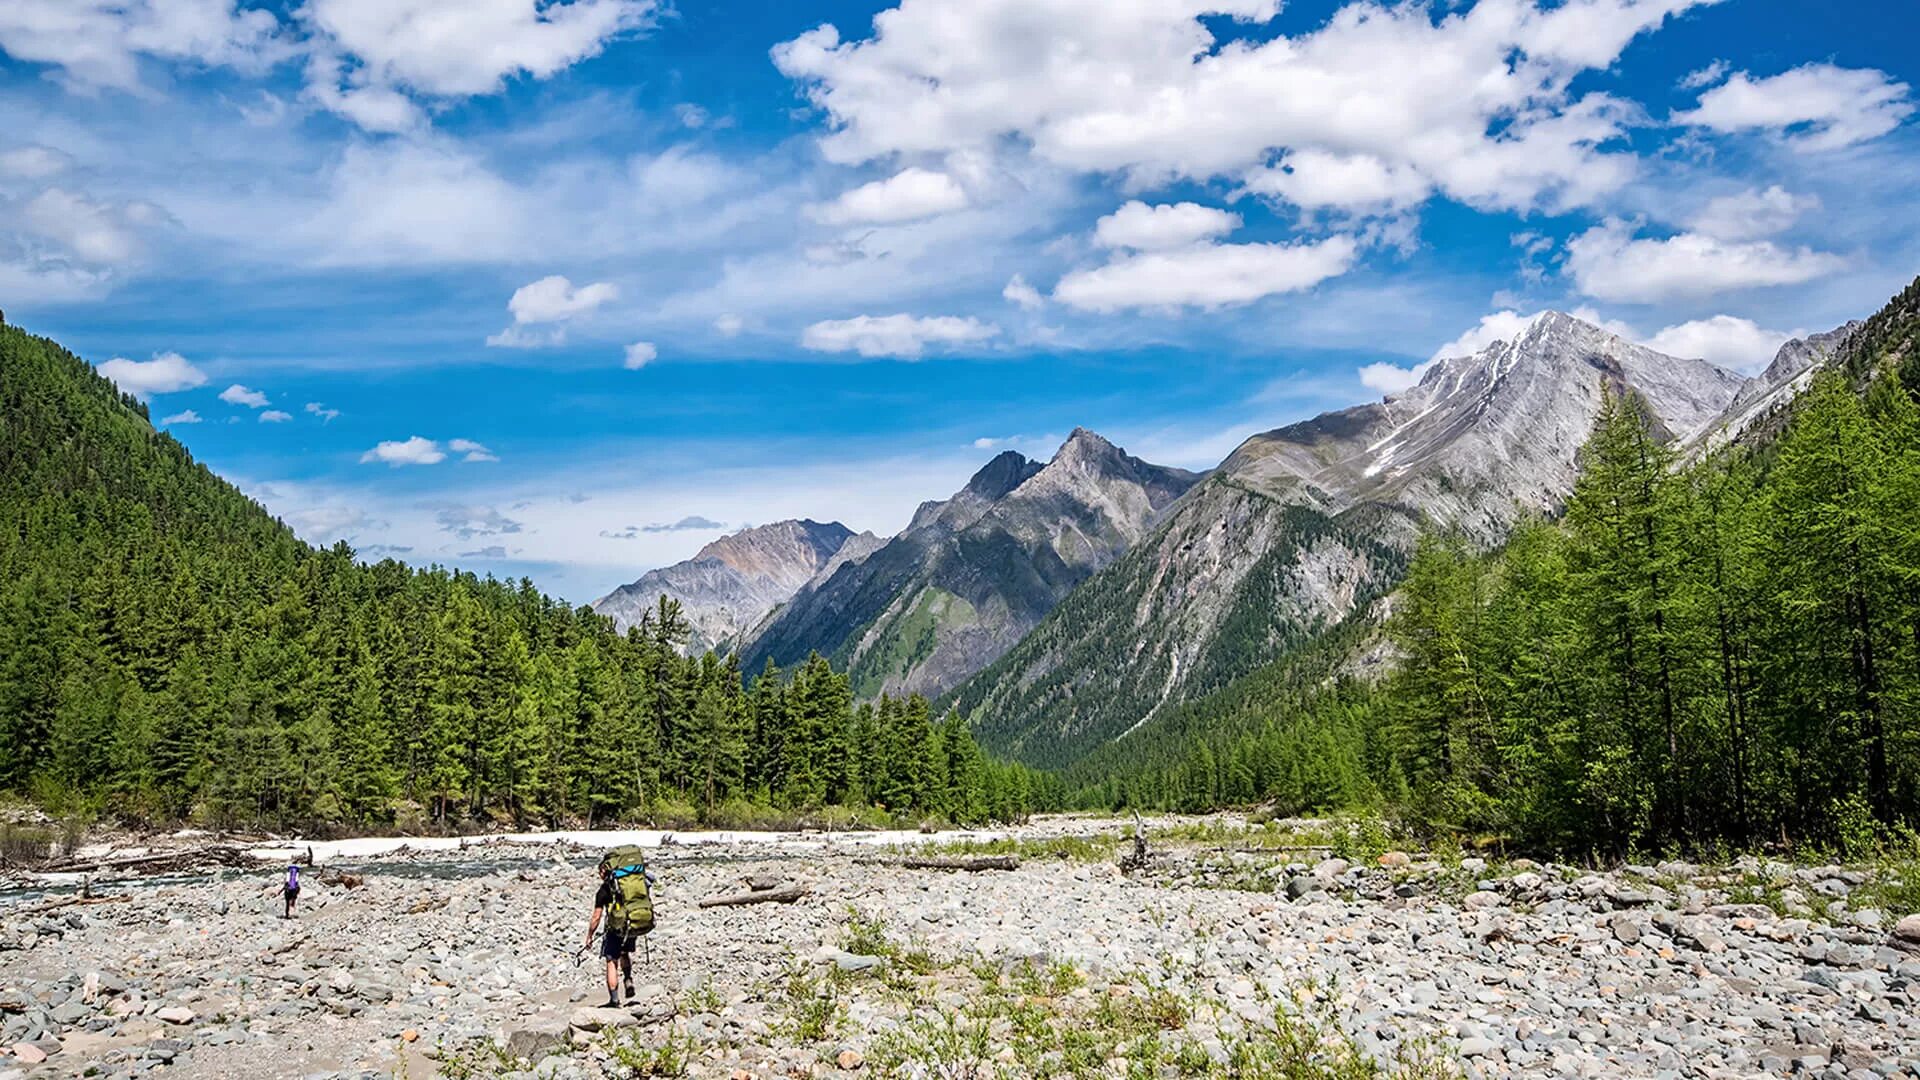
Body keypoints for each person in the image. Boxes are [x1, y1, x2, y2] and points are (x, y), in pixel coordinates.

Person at [582, 853, 654, 1008]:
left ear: (604, 871)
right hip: (632, 922)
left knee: (611, 961)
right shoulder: (630, 885)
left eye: (599, 872)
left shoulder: (604, 890)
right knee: (624, 953)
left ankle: (614, 1000)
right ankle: (628, 979)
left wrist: (589, 936)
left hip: (615, 928)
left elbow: (596, 917)